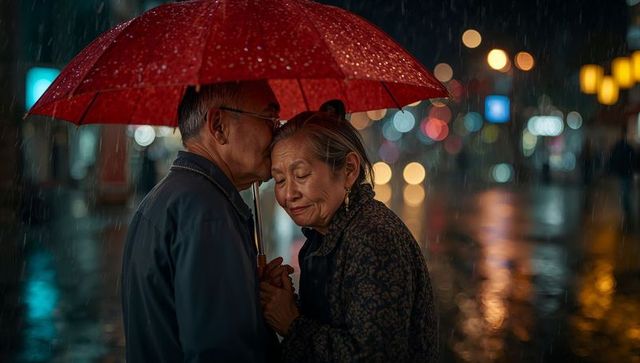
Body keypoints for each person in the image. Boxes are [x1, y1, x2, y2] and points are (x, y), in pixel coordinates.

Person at [121, 80, 291, 362]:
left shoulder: (165, 198)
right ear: (219, 126)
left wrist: (247, 291)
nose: (278, 133)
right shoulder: (208, 212)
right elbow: (220, 351)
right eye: (270, 119)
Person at [260, 110, 437, 362]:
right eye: (279, 180)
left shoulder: (373, 239)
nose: (288, 194)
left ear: (349, 170)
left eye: (301, 175)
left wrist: (292, 324)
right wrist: (289, 303)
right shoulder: (325, 235)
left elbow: (372, 355)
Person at [608, 126, 637, 226]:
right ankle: (628, 214)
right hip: (627, 173)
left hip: (624, 173)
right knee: (626, 193)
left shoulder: (620, 146)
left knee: (625, 194)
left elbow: (613, 159)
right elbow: (633, 160)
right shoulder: (628, 147)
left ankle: (627, 214)